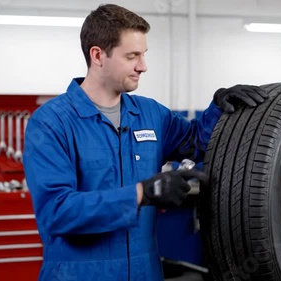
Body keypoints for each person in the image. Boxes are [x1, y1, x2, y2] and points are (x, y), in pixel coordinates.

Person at [23, 4, 267, 281]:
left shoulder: (150, 114)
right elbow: (57, 212)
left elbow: (197, 144)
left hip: (145, 271)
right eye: (132, 56)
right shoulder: (51, 122)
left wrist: (219, 110)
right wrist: (141, 194)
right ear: (98, 55)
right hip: (79, 274)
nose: (143, 66)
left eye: (143, 55)